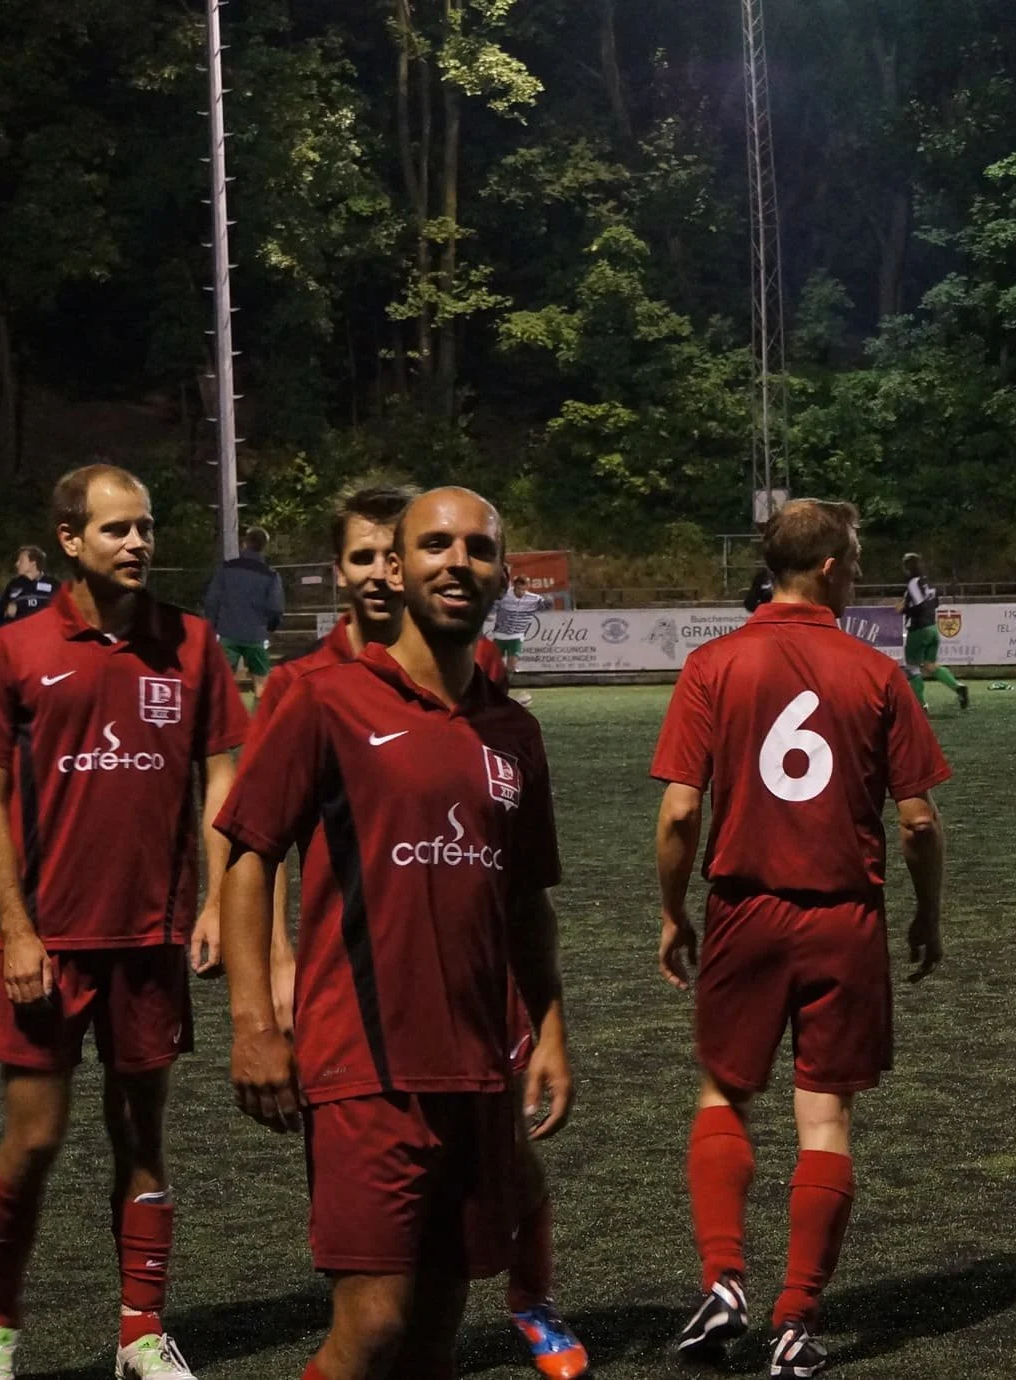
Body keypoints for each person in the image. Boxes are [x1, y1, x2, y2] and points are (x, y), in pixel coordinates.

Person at [215, 487, 574, 1380]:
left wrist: (551, 1032)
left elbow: (527, 901)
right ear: (399, 567)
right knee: (372, 1325)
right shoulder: (324, 700)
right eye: (436, 546)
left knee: (433, 1340)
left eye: (480, 550)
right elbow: (248, 859)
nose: (459, 563)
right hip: (363, 1064)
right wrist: (253, 1022)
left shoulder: (513, 731)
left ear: (501, 575)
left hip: (481, 1065)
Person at [0, 463, 247, 1380]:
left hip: (152, 942)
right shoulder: (15, 649)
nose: (139, 543)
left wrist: (214, 900)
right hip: (50, 942)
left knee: (141, 1137)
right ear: (70, 540)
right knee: (33, 1141)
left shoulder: (192, 645)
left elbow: (225, 773)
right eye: (118, 529)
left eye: (146, 527)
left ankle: (140, 1334)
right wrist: (19, 928)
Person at [653, 499, 950, 1379]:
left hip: (744, 910)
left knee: (722, 1094)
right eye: (855, 558)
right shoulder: (875, 671)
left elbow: (678, 811)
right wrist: (928, 912)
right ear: (828, 568)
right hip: (843, 920)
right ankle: (794, 1320)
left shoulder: (713, 663)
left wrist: (674, 913)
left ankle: (724, 1282)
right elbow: (921, 821)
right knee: (824, 1118)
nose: (860, 571)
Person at [204, 526, 286, 698]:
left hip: (227, 632)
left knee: (223, 684)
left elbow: (212, 600)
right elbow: (275, 608)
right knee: (262, 683)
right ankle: (260, 721)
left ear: (245, 543)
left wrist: (213, 625)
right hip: (255, 634)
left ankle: (224, 721)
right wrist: (269, 627)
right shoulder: (270, 575)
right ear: (265, 546)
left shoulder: (227, 569)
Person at [897, 552, 968, 710]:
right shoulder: (927, 583)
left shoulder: (913, 583)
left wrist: (904, 609)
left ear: (908, 568)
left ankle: (921, 705)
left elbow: (919, 606)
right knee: (930, 665)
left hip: (919, 630)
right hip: (932, 628)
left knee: (912, 667)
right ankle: (958, 687)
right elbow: (934, 602)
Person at [489, 567, 552, 706]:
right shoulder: (505, 597)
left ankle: (504, 690)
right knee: (494, 665)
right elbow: (492, 606)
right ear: (514, 586)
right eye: (518, 589)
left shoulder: (533, 599)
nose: (521, 592)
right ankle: (492, 690)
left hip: (516, 636)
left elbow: (546, 606)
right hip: (500, 636)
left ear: (527, 587)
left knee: (512, 666)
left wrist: (548, 602)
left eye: (524, 589)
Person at [0, 545, 60, 625]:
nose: (17, 564)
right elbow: (1, 614)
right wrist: (7, 611)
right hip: (19, 632)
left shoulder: (53, 585)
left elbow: (63, 612)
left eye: (21, 561)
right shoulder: (14, 584)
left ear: (33, 563)